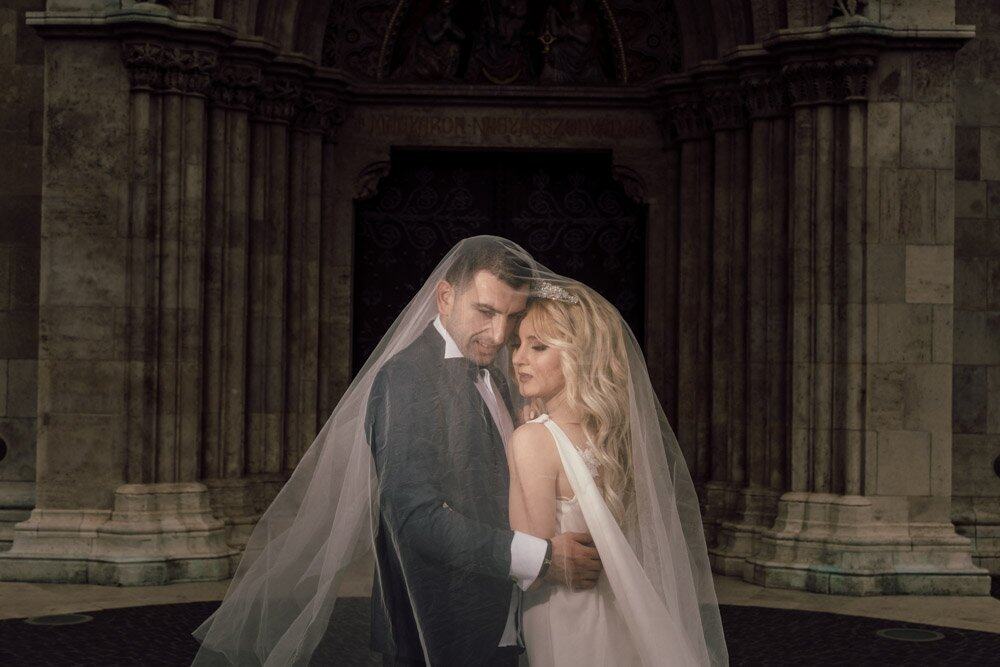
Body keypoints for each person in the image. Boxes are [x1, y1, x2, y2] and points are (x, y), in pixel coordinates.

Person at [365, 238, 601, 665]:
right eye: (486, 311)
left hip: (506, 621)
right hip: (441, 628)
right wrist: (543, 558)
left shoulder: (500, 373)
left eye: (512, 317)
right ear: (446, 296)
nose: (500, 334)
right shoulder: (405, 379)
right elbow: (414, 520)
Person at [508, 280, 728, 666]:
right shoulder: (615, 436)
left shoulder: (531, 439)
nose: (518, 358)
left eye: (538, 346)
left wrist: (516, 444)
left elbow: (535, 564)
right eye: (518, 343)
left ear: (579, 356)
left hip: (564, 617)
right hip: (620, 612)